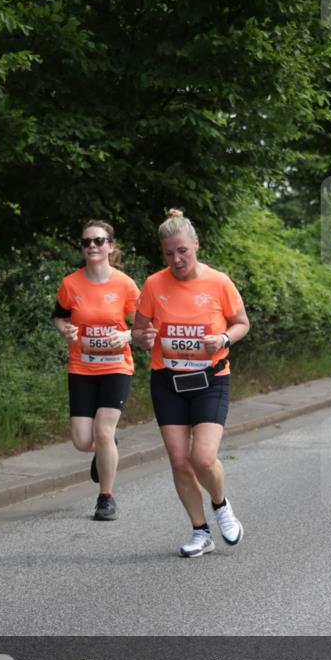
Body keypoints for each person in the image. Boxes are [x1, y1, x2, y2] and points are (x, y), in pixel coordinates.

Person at [132, 209, 249, 558]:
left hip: (211, 380)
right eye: (168, 253)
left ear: (196, 244)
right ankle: (200, 532)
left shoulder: (219, 282)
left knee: (203, 457)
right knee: (179, 461)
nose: (176, 259)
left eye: (182, 250)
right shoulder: (154, 284)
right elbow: (139, 332)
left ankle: (221, 504)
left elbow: (242, 322)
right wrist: (144, 336)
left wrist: (224, 339)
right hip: (168, 381)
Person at [53, 221, 139, 520]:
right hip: (81, 367)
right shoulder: (70, 284)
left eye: (99, 241)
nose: (92, 246)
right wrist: (66, 331)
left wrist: (127, 335)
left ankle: (106, 498)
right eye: (86, 242)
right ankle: (106, 447)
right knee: (82, 441)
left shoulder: (125, 285)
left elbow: (144, 325)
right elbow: (60, 317)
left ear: (110, 247)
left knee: (102, 431)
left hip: (116, 366)